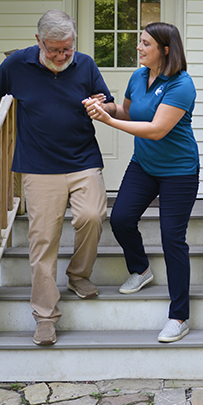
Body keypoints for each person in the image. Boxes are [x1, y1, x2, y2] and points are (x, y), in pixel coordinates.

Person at [0, 9, 116, 345]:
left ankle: (78, 275)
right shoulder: (16, 66)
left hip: (83, 161)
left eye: (67, 48)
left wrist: (101, 107)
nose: (63, 55)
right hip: (38, 166)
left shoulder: (85, 64)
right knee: (43, 241)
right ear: (39, 41)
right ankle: (45, 316)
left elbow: (106, 103)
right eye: (54, 49)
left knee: (92, 216)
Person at [83, 22, 199, 343]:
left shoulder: (181, 84)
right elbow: (129, 111)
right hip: (144, 165)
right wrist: (103, 106)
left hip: (179, 171)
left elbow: (157, 128)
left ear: (164, 49)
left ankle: (179, 317)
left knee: (172, 239)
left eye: (145, 43)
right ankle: (141, 269)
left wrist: (110, 121)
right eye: (139, 42)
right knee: (120, 218)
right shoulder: (137, 76)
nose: (139, 47)